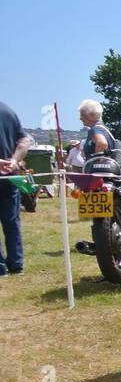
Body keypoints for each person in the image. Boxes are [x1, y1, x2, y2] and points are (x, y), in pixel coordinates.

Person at [0, 99, 33, 276]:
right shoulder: (8, 110)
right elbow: (24, 141)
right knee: (12, 221)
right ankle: (16, 264)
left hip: (7, 173)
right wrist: (14, 160)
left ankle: (1, 267)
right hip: (11, 176)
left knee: (12, 221)